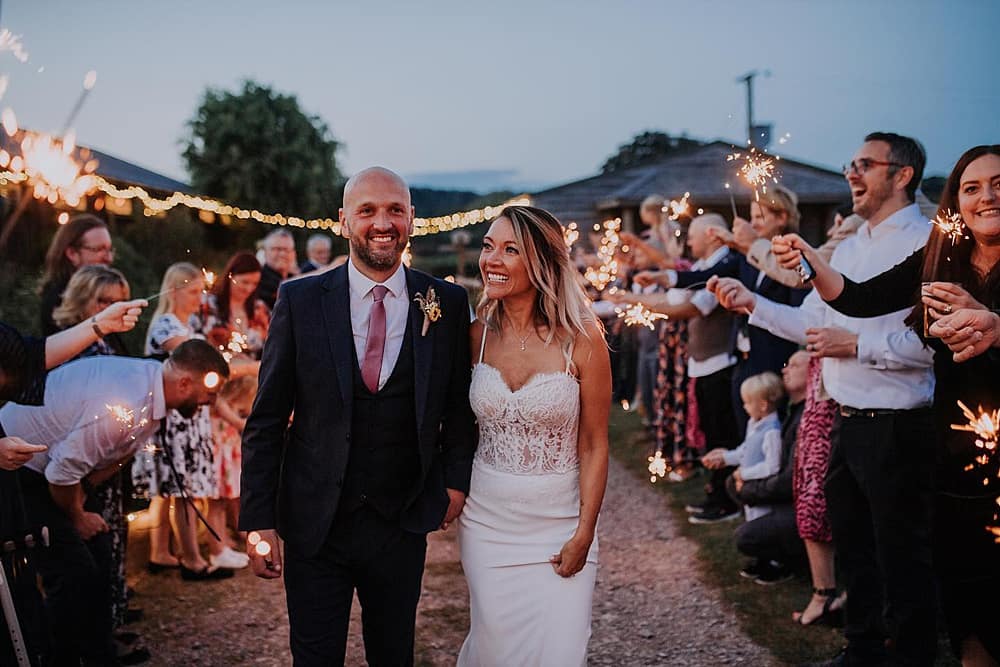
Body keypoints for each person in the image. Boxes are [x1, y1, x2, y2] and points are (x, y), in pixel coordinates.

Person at [713, 132, 937, 666]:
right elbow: (814, 323)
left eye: (865, 165)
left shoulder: (927, 242)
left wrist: (857, 345)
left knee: (901, 557)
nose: (851, 174)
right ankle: (860, 651)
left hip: (900, 427)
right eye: (850, 165)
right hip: (846, 421)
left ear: (902, 175)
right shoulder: (851, 248)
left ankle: (911, 656)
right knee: (855, 550)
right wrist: (753, 305)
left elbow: (933, 345)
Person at [240, 167, 477, 665]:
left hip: (400, 520)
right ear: (344, 221)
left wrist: (455, 483)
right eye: (367, 210)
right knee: (314, 656)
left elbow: (458, 405)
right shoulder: (299, 300)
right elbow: (265, 420)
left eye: (394, 209)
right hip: (314, 522)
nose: (382, 222)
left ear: (412, 218)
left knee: (394, 655)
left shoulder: (447, 303)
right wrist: (259, 521)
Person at [775, 144, 1000, 665]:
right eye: (971, 187)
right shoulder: (944, 254)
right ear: (956, 201)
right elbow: (859, 297)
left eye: (997, 184)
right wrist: (811, 260)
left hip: (926, 428)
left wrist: (994, 324)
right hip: (958, 443)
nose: (986, 196)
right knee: (966, 578)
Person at [0, 340, 228, 666]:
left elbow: (119, 455)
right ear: (184, 383)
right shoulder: (128, 399)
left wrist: (86, 491)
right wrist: (78, 515)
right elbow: (60, 472)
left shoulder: (152, 384)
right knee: (73, 570)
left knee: (101, 556)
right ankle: (57, 658)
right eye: (211, 391)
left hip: (59, 474)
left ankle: (97, 653)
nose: (212, 401)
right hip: (18, 470)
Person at [457, 205, 610, 666]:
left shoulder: (583, 339)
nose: (492, 260)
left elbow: (594, 444)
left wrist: (584, 532)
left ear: (542, 262)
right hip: (486, 525)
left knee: (561, 653)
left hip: (559, 525)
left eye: (509, 250)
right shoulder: (475, 335)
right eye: (488, 246)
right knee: (495, 649)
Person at [607, 214, 739, 507]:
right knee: (709, 430)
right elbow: (674, 298)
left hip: (720, 362)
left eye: (693, 234)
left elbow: (689, 309)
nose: (689, 240)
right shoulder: (703, 267)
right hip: (702, 362)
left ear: (712, 235)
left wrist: (638, 301)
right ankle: (715, 491)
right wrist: (632, 299)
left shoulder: (724, 267)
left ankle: (725, 499)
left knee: (722, 433)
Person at [132, 263, 234, 579]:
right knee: (183, 491)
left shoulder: (189, 325)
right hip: (175, 421)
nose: (199, 297)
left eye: (201, 290)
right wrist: (250, 366)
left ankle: (160, 552)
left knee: (169, 491)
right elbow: (198, 363)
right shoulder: (166, 327)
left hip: (189, 419)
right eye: (192, 291)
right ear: (174, 291)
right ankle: (193, 561)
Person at [727, 352, 808, 587]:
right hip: (772, 489)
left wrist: (749, 487)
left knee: (746, 535)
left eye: (793, 365)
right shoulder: (787, 413)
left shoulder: (800, 418)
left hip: (791, 500)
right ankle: (767, 553)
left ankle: (783, 561)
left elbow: (783, 475)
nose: (784, 369)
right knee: (732, 485)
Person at [702, 372, 784, 524]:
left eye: (747, 402)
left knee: (761, 523)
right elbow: (746, 450)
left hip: (762, 490)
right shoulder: (753, 424)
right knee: (750, 518)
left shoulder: (772, 432)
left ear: (763, 405)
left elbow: (773, 467)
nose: (744, 407)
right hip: (747, 486)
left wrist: (744, 473)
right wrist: (725, 458)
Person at [38, 214, 114, 335]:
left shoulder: (98, 294)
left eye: (110, 250)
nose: (109, 258)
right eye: (99, 249)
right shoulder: (62, 302)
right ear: (72, 253)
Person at [52, 264, 132, 357]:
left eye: (119, 302)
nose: (114, 308)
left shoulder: (110, 337)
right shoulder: (67, 343)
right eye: (105, 301)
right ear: (81, 299)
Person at [255, 228, 298, 310]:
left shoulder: (293, 277)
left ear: (293, 254)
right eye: (276, 249)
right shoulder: (258, 279)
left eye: (286, 249)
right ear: (265, 252)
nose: (282, 254)